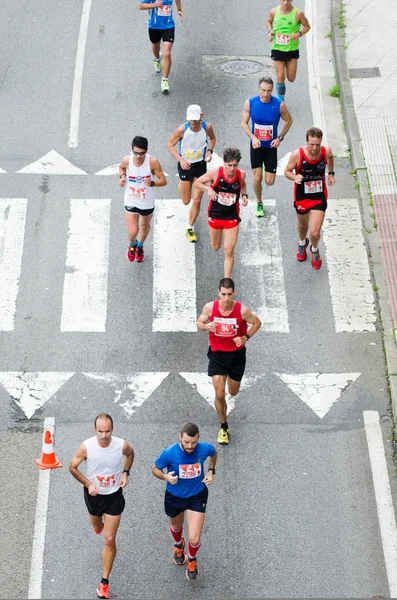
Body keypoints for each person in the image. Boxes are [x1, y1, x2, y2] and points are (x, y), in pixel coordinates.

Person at [69, 413, 134, 600]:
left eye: (107, 431)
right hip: (94, 497)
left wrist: (125, 472)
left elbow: (130, 454)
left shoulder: (121, 445)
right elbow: (72, 467)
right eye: (100, 431)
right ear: (94, 430)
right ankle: (101, 528)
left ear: (112, 429)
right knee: (97, 527)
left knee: (109, 539)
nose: (104, 436)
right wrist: (88, 484)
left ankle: (104, 583)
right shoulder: (86, 447)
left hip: (114, 496)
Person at [197, 278, 262, 445]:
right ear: (219, 293)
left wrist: (245, 337)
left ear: (234, 293)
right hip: (217, 354)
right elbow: (199, 322)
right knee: (219, 393)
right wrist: (206, 326)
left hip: (236, 355)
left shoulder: (242, 311)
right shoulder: (210, 307)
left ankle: (227, 404)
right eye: (223, 294)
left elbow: (257, 323)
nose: (226, 298)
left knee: (232, 392)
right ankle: (223, 427)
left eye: (229, 295)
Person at [152, 423, 217, 581]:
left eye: (193, 442)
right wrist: (166, 477)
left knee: (194, 538)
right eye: (186, 442)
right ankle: (178, 545)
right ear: (180, 437)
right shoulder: (169, 453)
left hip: (197, 495)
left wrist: (211, 470)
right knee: (176, 526)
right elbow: (155, 468)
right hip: (175, 496)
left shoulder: (204, 448)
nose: (190, 446)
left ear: (198, 438)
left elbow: (213, 452)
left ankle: (192, 559)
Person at [284, 127, 335, 270]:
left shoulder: (326, 151)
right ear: (306, 141)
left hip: (318, 196)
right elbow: (287, 171)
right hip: (302, 196)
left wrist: (331, 173)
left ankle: (315, 249)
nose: (314, 148)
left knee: (315, 232)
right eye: (311, 144)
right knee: (302, 224)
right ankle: (302, 243)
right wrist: (295, 176)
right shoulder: (297, 155)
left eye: (317, 144)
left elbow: (331, 157)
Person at [241, 76, 293, 218]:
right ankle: (259, 202)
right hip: (256, 146)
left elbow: (289, 120)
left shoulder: (279, 105)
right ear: (259, 89)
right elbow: (244, 123)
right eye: (263, 90)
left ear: (272, 91)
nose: (266, 94)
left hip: (270, 147)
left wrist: (280, 138)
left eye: (269, 91)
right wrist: (253, 137)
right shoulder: (250, 103)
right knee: (257, 178)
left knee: (269, 181)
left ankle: (266, 169)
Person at [193, 147, 248, 278]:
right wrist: (208, 189)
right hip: (215, 216)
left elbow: (243, 184)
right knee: (216, 246)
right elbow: (196, 183)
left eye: (235, 165)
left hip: (232, 217)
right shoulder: (215, 174)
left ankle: (227, 281)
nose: (232, 169)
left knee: (228, 251)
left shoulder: (241, 174)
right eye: (229, 165)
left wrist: (244, 195)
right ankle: (222, 232)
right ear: (224, 163)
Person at [167, 104, 216, 242]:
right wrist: (181, 160)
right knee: (186, 201)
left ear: (201, 116)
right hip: (185, 166)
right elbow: (169, 145)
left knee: (197, 200)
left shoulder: (207, 127)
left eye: (195, 120)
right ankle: (183, 185)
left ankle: (190, 228)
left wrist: (210, 151)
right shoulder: (182, 129)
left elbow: (212, 139)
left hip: (200, 166)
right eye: (191, 121)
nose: (193, 123)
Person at [119, 135, 167, 263]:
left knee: (145, 226)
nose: (139, 156)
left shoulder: (152, 162)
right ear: (132, 150)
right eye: (136, 153)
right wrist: (122, 177)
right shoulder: (127, 160)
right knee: (133, 230)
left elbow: (163, 181)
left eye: (142, 153)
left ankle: (140, 246)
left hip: (146, 202)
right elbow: (121, 167)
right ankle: (132, 244)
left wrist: (152, 183)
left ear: (146, 150)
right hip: (131, 200)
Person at [267, 0, 311, 101]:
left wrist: (299, 34)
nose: (286, 2)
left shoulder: (298, 13)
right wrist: (270, 32)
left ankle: (281, 85)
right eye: (283, 0)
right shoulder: (274, 12)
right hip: (277, 48)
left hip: (292, 50)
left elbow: (307, 26)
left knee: (291, 78)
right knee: (281, 75)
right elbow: (269, 21)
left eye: (288, 0)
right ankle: (280, 100)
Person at [139, 0, 183, 94]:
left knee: (167, 53)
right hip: (154, 27)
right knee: (156, 47)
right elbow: (141, 6)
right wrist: (155, 4)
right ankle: (157, 59)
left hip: (168, 26)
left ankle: (165, 80)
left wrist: (179, 9)